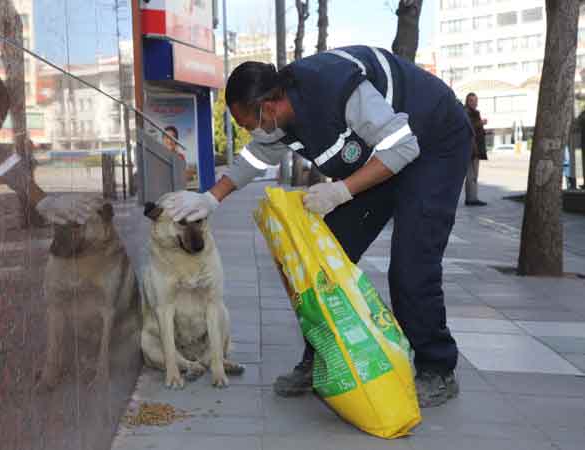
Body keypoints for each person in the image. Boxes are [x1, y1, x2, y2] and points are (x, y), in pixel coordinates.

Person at [166, 45, 473, 408]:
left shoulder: (338, 90)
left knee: (412, 263)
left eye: (250, 125)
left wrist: (341, 190)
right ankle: (322, 359)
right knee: (321, 260)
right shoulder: (279, 114)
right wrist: (211, 198)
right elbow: (256, 156)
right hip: (383, 157)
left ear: (269, 106)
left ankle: (437, 368)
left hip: (433, 141)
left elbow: (402, 148)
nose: (253, 132)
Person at [464, 93, 488, 206]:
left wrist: (484, 131)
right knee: (471, 175)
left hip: (476, 147)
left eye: (475, 100)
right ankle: (471, 199)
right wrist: (480, 123)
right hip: (471, 148)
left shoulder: (475, 112)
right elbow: (469, 127)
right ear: (467, 101)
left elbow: (476, 130)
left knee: (474, 175)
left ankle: (472, 197)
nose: (474, 103)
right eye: (471, 100)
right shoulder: (466, 112)